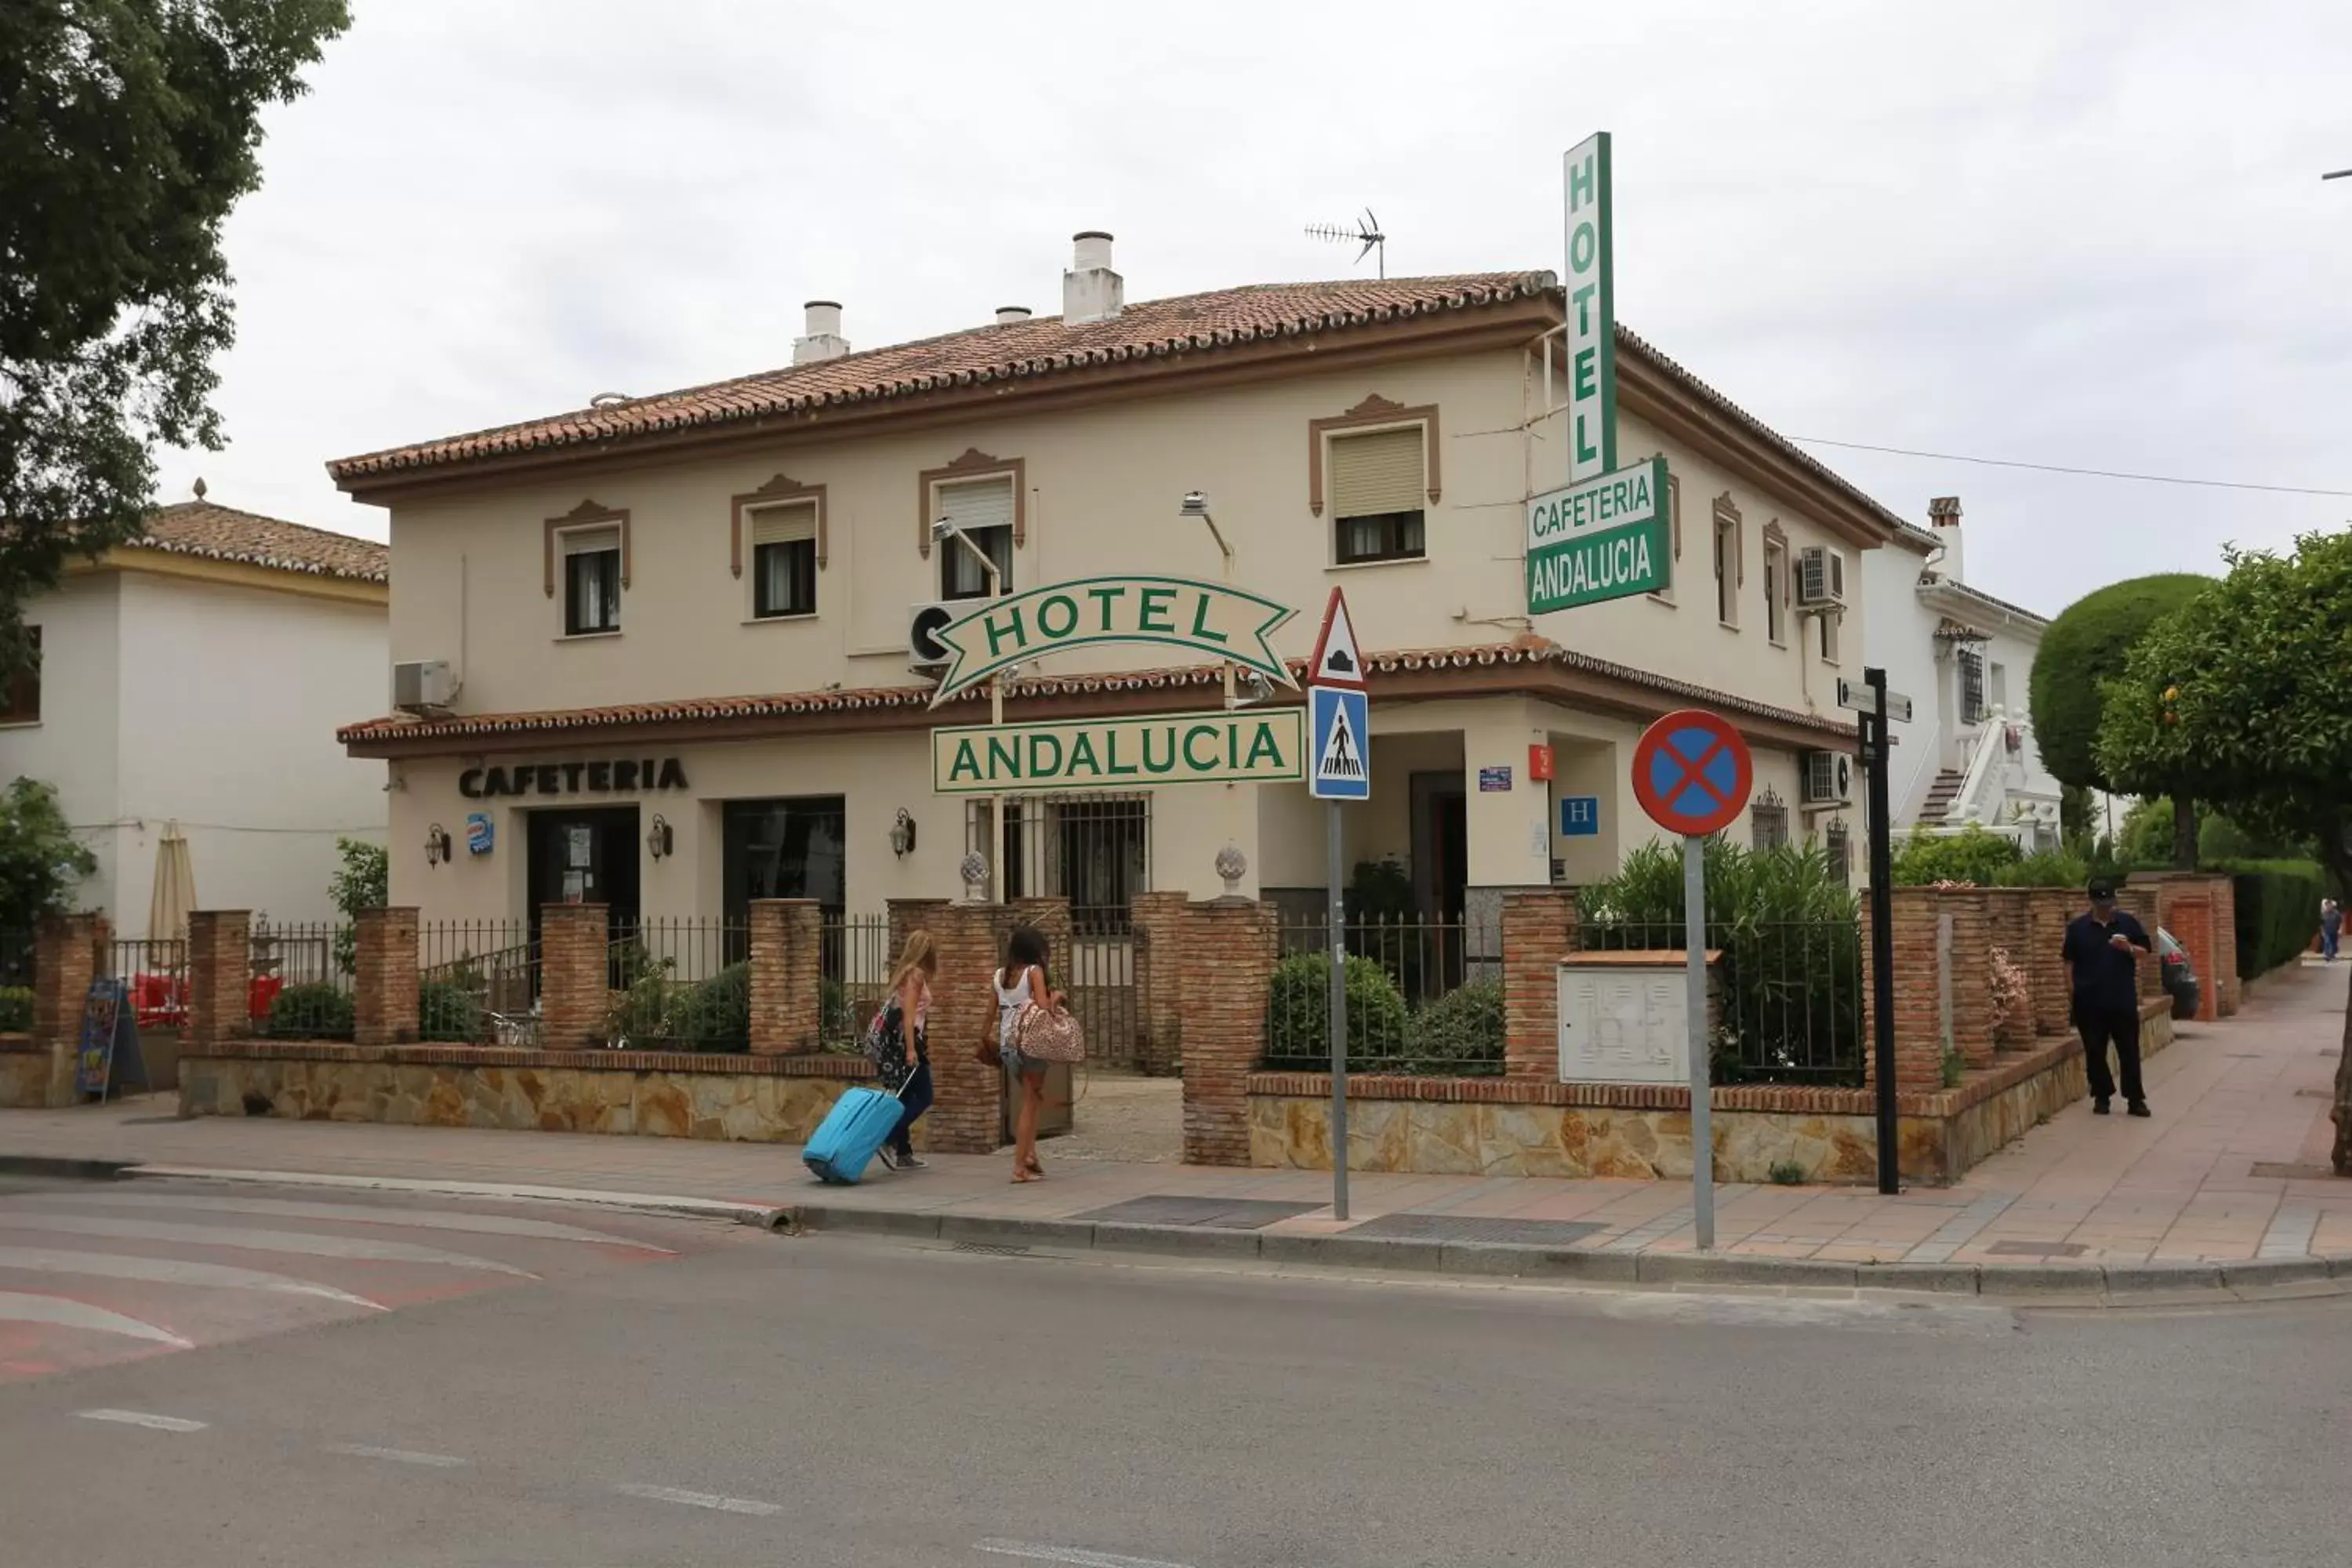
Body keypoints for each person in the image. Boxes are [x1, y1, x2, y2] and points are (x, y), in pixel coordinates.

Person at [2060, 878, 2154, 1117]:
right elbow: (2068, 962)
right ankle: (2101, 1096)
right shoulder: (2078, 928)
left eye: (2109, 903)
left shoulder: (2128, 923)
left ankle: (2135, 1099)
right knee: (2094, 1050)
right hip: (2088, 1001)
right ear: (2091, 901)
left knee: (2129, 1050)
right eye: (2101, 904)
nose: (2106, 908)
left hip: (2122, 998)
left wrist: (2129, 949)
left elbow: (2146, 952)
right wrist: (2072, 991)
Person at [994, 924, 1064, 1185]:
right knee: (1030, 1105)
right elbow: (1043, 1007)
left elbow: (992, 1013)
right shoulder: (1034, 972)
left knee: (1032, 1097)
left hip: (1008, 1045)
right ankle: (1019, 1167)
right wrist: (1055, 997)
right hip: (1029, 1042)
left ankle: (1031, 1155)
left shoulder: (1000, 976)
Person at [873, 931, 936, 1171]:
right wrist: (911, 1050)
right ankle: (888, 1137)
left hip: (905, 1041)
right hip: (907, 1043)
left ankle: (904, 1153)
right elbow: (909, 1016)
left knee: (906, 1097)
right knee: (924, 1096)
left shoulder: (907, 972)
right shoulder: (915, 975)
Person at [2321, 898, 2342, 963]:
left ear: (2332, 906)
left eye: (2330, 905)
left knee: (2333, 944)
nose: (2328, 906)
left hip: (2334, 931)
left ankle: (2332, 956)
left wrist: (2340, 930)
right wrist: (2322, 931)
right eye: (2327, 905)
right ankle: (2327, 956)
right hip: (2326, 931)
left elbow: (2340, 922)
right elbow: (2321, 923)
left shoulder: (2336, 913)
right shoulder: (2324, 914)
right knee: (2327, 942)